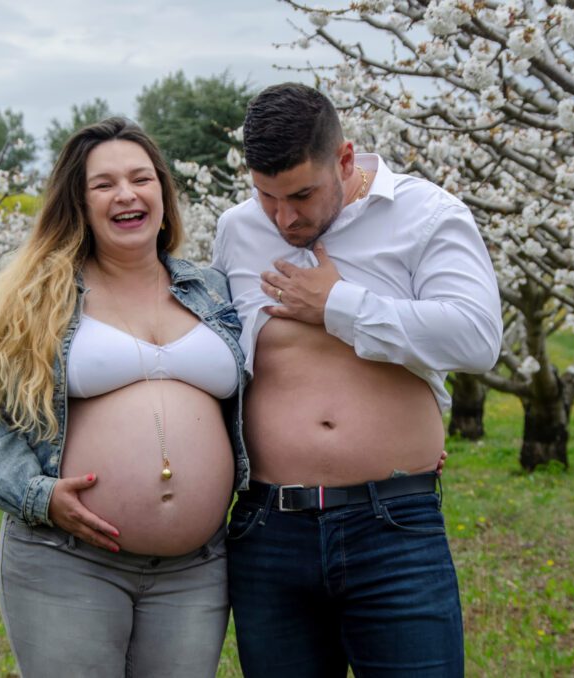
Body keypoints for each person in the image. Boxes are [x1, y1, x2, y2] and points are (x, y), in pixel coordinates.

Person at [212, 83, 503, 677]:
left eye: (302, 194)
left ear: (345, 159)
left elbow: (477, 337)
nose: (285, 217)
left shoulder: (426, 214)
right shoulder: (235, 231)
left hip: (393, 525)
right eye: (267, 196)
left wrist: (340, 305)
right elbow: (218, 357)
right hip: (269, 529)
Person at [0, 117, 249, 678]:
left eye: (141, 178)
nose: (126, 194)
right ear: (78, 203)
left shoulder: (213, 289)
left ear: (162, 190)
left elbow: (280, 375)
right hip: (68, 561)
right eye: (103, 184)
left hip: (195, 569)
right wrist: (36, 494)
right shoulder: (39, 297)